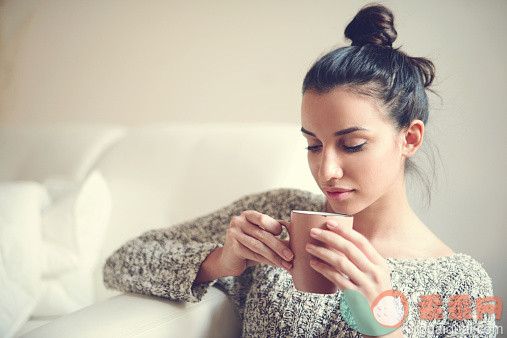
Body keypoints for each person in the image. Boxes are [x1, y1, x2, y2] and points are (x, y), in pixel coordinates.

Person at [103, 4, 497, 337]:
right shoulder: (278, 218)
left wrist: (386, 318)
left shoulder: (461, 282)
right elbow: (122, 262)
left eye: (352, 144)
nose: (326, 169)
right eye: (313, 144)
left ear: (409, 139)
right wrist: (222, 261)